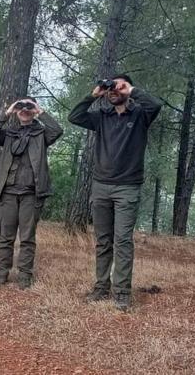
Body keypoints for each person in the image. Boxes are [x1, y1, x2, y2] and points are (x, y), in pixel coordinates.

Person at [68, 74, 162, 311]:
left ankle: (122, 292)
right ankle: (101, 287)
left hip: (127, 187)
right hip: (100, 185)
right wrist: (93, 94)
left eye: (117, 87)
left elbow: (155, 104)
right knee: (103, 240)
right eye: (110, 88)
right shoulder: (101, 117)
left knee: (122, 240)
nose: (113, 91)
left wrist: (131, 90)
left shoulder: (140, 115)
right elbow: (75, 116)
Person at [0, 96, 63, 289]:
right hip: (9, 191)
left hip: (31, 193)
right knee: (6, 236)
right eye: (21, 107)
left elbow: (57, 130)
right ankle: (1, 273)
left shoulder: (41, 134)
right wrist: (8, 111)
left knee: (27, 237)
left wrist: (40, 111)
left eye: (28, 107)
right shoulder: (9, 134)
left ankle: (24, 276)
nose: (24, 110)